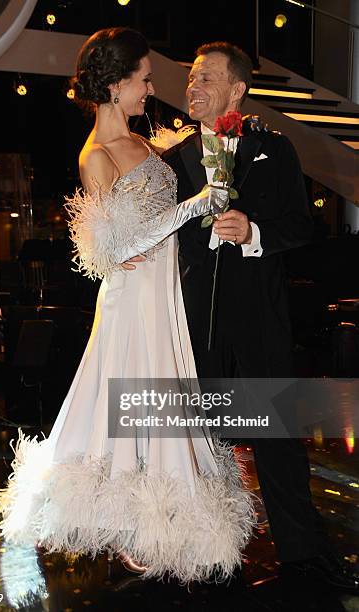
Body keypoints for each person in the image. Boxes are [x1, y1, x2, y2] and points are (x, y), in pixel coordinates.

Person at [0, 28, 255, 585]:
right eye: (144, 79)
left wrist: (210, 204)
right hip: (132, 299)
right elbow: (115, 248)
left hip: (161, 292)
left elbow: (148, 229)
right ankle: (136, 522)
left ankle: (154, 520)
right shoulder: (95, 156)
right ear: (115, 86)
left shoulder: (143, 142)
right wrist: (193, 207)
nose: (150, 89)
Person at [158, 41, 358, 592]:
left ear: (237, 89)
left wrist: (254, 234)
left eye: (205, 78)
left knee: (275, 441)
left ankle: (303, 554)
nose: (192, 86)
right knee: (195, 440)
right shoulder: (170, 159)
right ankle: (199, 548)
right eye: (191, 78)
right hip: (191, 321)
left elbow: (300, 226)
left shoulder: (275, 148)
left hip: (259, 319)